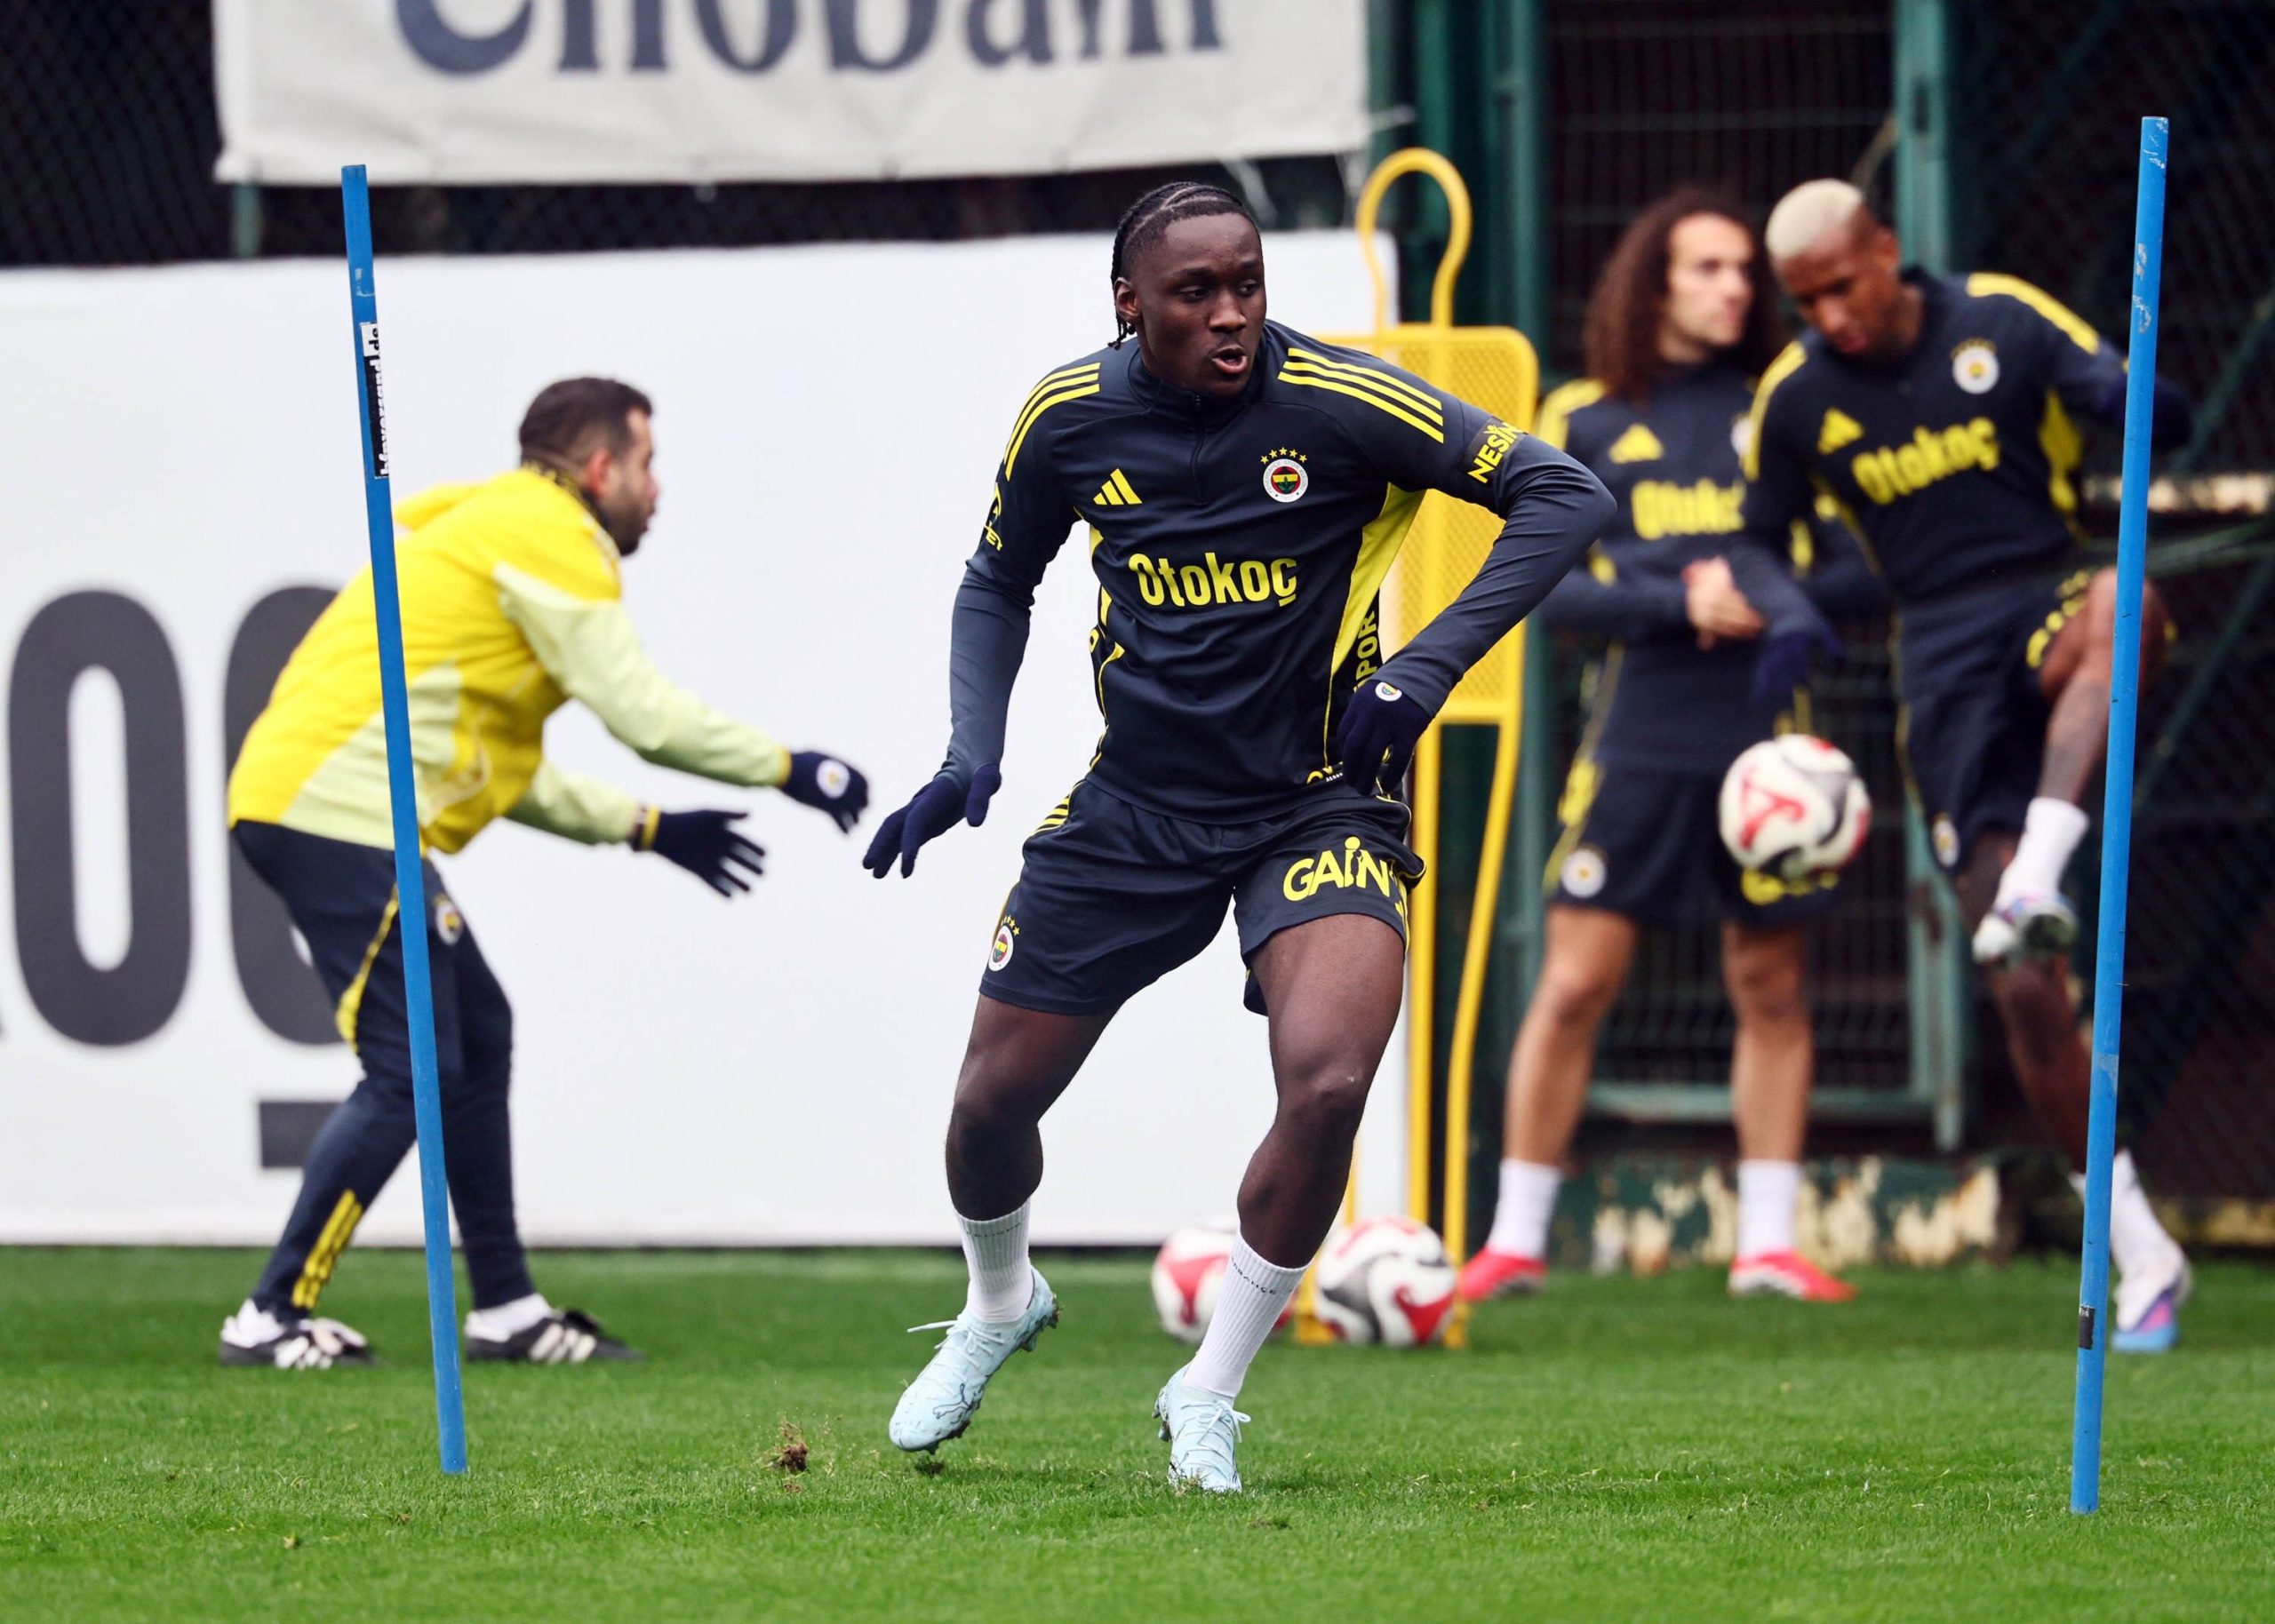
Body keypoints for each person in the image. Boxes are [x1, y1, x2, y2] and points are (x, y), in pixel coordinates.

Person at [864, 181, 1612, 1492]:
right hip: (1137, 803)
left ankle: (1207, 1387)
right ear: (1129, 305)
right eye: (1196, 292)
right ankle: (1000, 1300)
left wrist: (1423, 668)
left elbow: (1561, 493)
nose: (1230, 314)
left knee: (1326, 1083)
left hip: (1319, 799)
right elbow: (998, 578)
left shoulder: (1341, 402)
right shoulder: (1069, 416)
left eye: (1247, 284)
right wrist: (969, 752)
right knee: (988, 1104)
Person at [220, 378, 870, 1368]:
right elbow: (642, 715)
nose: (657, 488)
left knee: (477, 1033)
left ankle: (507, 1309)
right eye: (647, 463)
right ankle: (271, 1315)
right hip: (337, 812)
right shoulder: (551, 533)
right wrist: (788, 766)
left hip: (327, 808)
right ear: (600, 469)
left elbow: (505, 774)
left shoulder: (500, 530)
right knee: (411, 1069)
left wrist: (647, 828)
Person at [1734, 179, 2194, 1350]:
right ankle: (2143, 1253)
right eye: (1805, 302)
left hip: (2043, 588)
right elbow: (1757, 540)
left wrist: (2139, 399)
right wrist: (1789, 609)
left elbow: (2154, 413)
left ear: (1886, 248)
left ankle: (2042, 865)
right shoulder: (1795, 398)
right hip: (1934, 654)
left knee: (2125, 605)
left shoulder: (2001, 318)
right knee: (2025, 991)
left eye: (1843, 286)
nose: (1830, 317)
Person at [1456, 189, 1882, 1310]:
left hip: (1767, 747)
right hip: (1636, 735)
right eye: (1707, 267)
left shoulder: (1783, 405)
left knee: (1769, 984)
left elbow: (1863, 564)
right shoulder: (1584, 415)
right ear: (1653, 283)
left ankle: (1768, 1246)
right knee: (1574, 983)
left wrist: (1765, 593)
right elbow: (1540, 583)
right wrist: (1673, 601)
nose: (1734, 286)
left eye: (1743, 269)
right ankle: (1514, 1241)